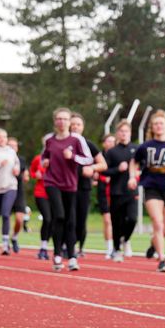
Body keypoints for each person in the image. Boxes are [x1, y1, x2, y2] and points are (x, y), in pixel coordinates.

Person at [41, 107, 105, 271]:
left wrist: (73, 157)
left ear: (70, 122)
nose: (62, 122)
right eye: (59, 119)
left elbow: (88, 159)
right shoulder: (50, 140)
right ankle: (56, 254)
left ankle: (72, 256)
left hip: (70, 184)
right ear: (55, 122)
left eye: (65, 119)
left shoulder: (76, 140)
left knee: (71, 220)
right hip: (52, 182)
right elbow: (44, 157)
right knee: (59, 215)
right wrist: (45, 162)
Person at [129, 110, 165, 273]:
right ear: (152, 127)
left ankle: (153, 243)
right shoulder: (145, 146)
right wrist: (133, 177)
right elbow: (133, 163)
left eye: (161, 123)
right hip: (151, 187)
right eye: (156, 124)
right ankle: (162, 260)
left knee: (164, 230)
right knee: (157, 222)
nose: (159, 126)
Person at [69, 112, 106, 258]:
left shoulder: (88, 145)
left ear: (83, 127)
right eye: (73, 124)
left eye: (78, 124)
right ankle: (67, 246)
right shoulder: (63, 144)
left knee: (80, 219)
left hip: (83, 187)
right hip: (66, 186)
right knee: (68, 218)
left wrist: (92, 168)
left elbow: (103, 164)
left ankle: (80, 247)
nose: (75, 127)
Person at [103, 120, 138, 262]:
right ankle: (116, 249)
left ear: (130, 133)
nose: (124, 134)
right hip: (116, 191)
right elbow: (104, 171)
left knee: (132, 219)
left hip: (132, 191)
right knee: (116, 222)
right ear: (117, 134)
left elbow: (142, 166)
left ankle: (126, 239)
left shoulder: (136, 150)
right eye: (121, 131)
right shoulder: (111, 152)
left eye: (126, 131)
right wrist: (118, 169)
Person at [0, 128, 21, 255]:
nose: (2, 139)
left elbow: (16, 164)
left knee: (6, 214)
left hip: (10, 186)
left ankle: (5, 244)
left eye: (4, 137)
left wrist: (16, 169)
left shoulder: (11, 152)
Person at [8, 136, 30, 253]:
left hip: (18, 191)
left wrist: (26, 176)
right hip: (5, 190)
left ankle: (15, 237)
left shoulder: (21, 160)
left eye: (14, 146)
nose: (12, 148)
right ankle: (4, 241)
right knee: (5, 217)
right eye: (10, 146)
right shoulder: (2, 158)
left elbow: (26, 173)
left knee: (19, 219)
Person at [97, 134, 116, 258]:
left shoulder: (118, 155)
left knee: (119, 220)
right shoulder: (99, 156)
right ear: (104, 143)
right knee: (107, 220)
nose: (111, 143)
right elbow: (95, 170)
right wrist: (103, 177)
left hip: (117, 190)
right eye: (108, 141)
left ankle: (124, 243)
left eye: (113, 141)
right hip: (103, 190)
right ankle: (109, 248)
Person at [29, 152, 51, 259]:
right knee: (47, 219)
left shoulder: (58, 159)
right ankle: (43, 248)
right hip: (41, 192)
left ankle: (59, 247)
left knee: (55, 220)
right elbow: (32, 171)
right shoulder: (38, 158)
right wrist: (35, 175)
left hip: (55, 193)